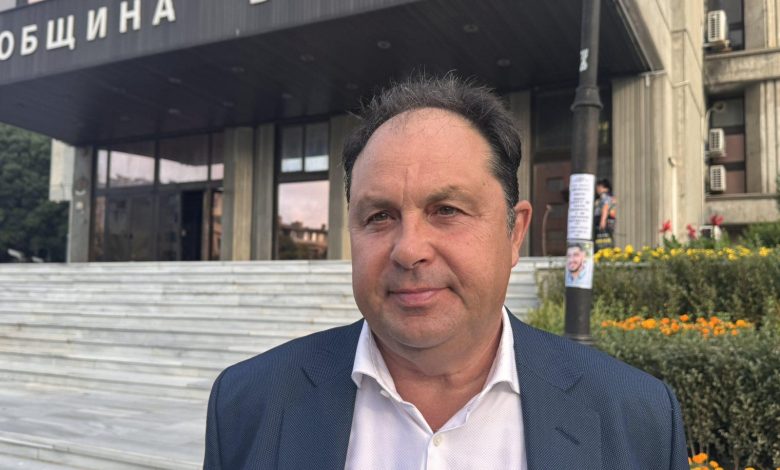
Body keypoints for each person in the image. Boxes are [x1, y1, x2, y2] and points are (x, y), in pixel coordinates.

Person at [204, 76, 688, 469]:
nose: (409, 250)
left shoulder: (637, 418)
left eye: (447, 210)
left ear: (515, 233)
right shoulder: (248, 405)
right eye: (379, 216)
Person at [594, 178, 616, 252]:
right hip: (606, 220)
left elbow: (605, 208)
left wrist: (603, 221)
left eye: (600, 187)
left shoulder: (605, 197)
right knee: (605, 239)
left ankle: (604, 253)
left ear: (606, 188)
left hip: (604, 220)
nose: (597, 189)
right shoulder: (604, 198)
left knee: (604, 239)